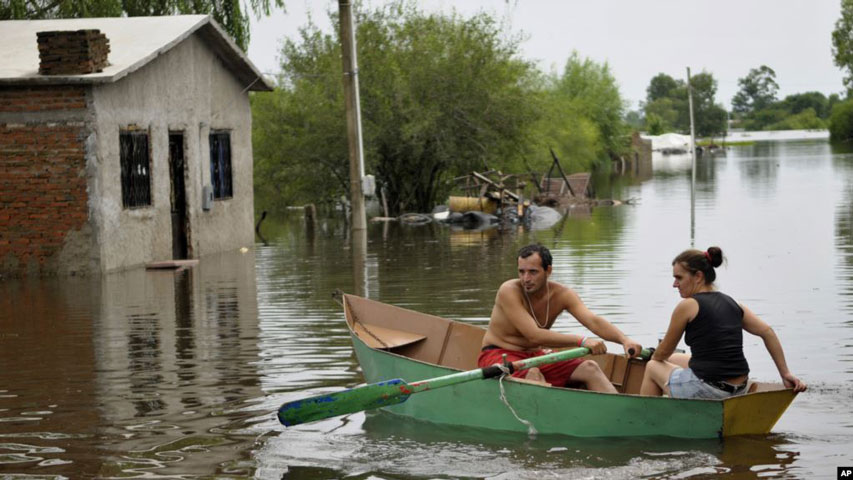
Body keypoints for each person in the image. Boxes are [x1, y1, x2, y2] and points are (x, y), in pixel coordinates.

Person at [640, 247, 807, 398]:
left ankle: (647, 420)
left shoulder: (687, 306)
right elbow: (767, 332)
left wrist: (651, 356)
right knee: (676, 358)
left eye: (679, 278)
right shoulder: (733, 303)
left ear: (698, 276)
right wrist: (785, 374)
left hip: (709, 389)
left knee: (653, 366)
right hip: (739, 388)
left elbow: (662, 353)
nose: (674, 284)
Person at [479, 243, 643, 392]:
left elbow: (593, 321)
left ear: (548, 271)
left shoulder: (563, 294)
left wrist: (624, 340)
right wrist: (582, 341)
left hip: (535, 355)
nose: (526, 279)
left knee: (590, 368)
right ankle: (547, 423)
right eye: (521, 272)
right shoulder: (509, 291)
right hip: (499, 354)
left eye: (533, 272)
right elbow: (534, 335)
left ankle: (620, 415)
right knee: (533, 373)